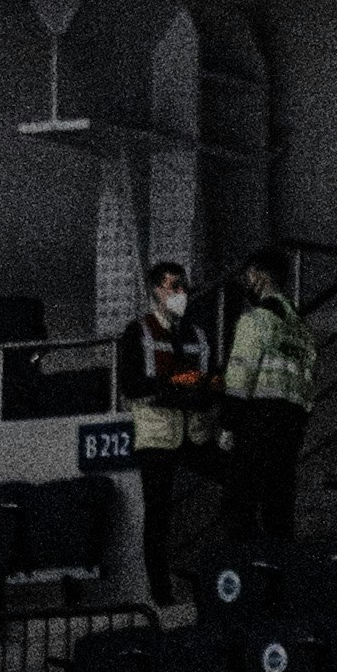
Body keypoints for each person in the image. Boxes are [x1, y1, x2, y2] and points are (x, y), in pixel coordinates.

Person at [114, 258, 210, 608]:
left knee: (236, 479)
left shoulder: (198, 334)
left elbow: (208, 379)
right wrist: (173, 387)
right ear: (156, 290)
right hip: (157, 436)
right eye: (174, 286)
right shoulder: (137, 332)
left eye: (184, 286)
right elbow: (131, 384)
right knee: (158, 516)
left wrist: (202, 390)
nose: (181, 293)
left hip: (195, 433)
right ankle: (162, 595)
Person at [217, 248, 317, 548]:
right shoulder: (301, 327)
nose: (246, 281)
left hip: (255, 421)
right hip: (291, 422)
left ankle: (242, 576)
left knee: (239, 503)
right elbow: (309, 378)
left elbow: (239, 379)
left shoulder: (255, 321)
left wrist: (228, 426)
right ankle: (280, 574)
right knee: (279, 503)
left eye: (248, 275)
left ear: (259, 276)